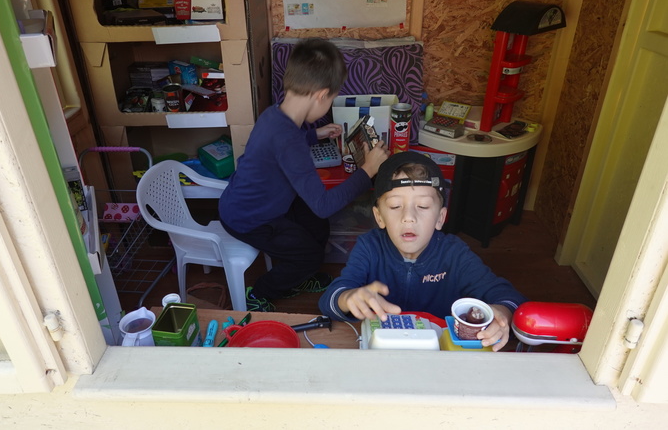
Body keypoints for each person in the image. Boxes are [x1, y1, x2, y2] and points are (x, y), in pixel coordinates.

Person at [219, 38, 390, 312]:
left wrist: (314, 134)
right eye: (331, 99)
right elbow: (324, 204)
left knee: (317, 225)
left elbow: (283, 146)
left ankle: (298, 274)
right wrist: (367, 170)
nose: (328, 105)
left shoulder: (275, 114)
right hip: (249, 219)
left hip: (258, 202)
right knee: (309, 254)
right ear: (322, 95)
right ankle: (260, 293)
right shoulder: (289, 140)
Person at [318, 151, 527, 351]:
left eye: (424, 206)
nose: (409, 217)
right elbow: (329, 300)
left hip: (437, 354)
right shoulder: (369, 247)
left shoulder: (454, 254)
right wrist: (348, 297)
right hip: (382, 349)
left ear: (440, 218)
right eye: (395, 206)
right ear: (379, 217)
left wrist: (502, 314)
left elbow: (510, 299)